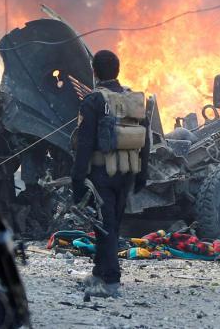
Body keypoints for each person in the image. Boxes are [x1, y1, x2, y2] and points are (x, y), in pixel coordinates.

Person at [71, 50, 150, 297]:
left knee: (105, 227)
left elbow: (84, 143)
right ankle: (98, 273)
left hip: (101, 173)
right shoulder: (131, 99)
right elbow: (146, 140)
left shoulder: (93, 101)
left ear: (94, 72)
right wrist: (142, 174)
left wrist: (77, 178)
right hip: (127, 171)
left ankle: (111, 282)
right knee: (110, 223)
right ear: (117, 70)